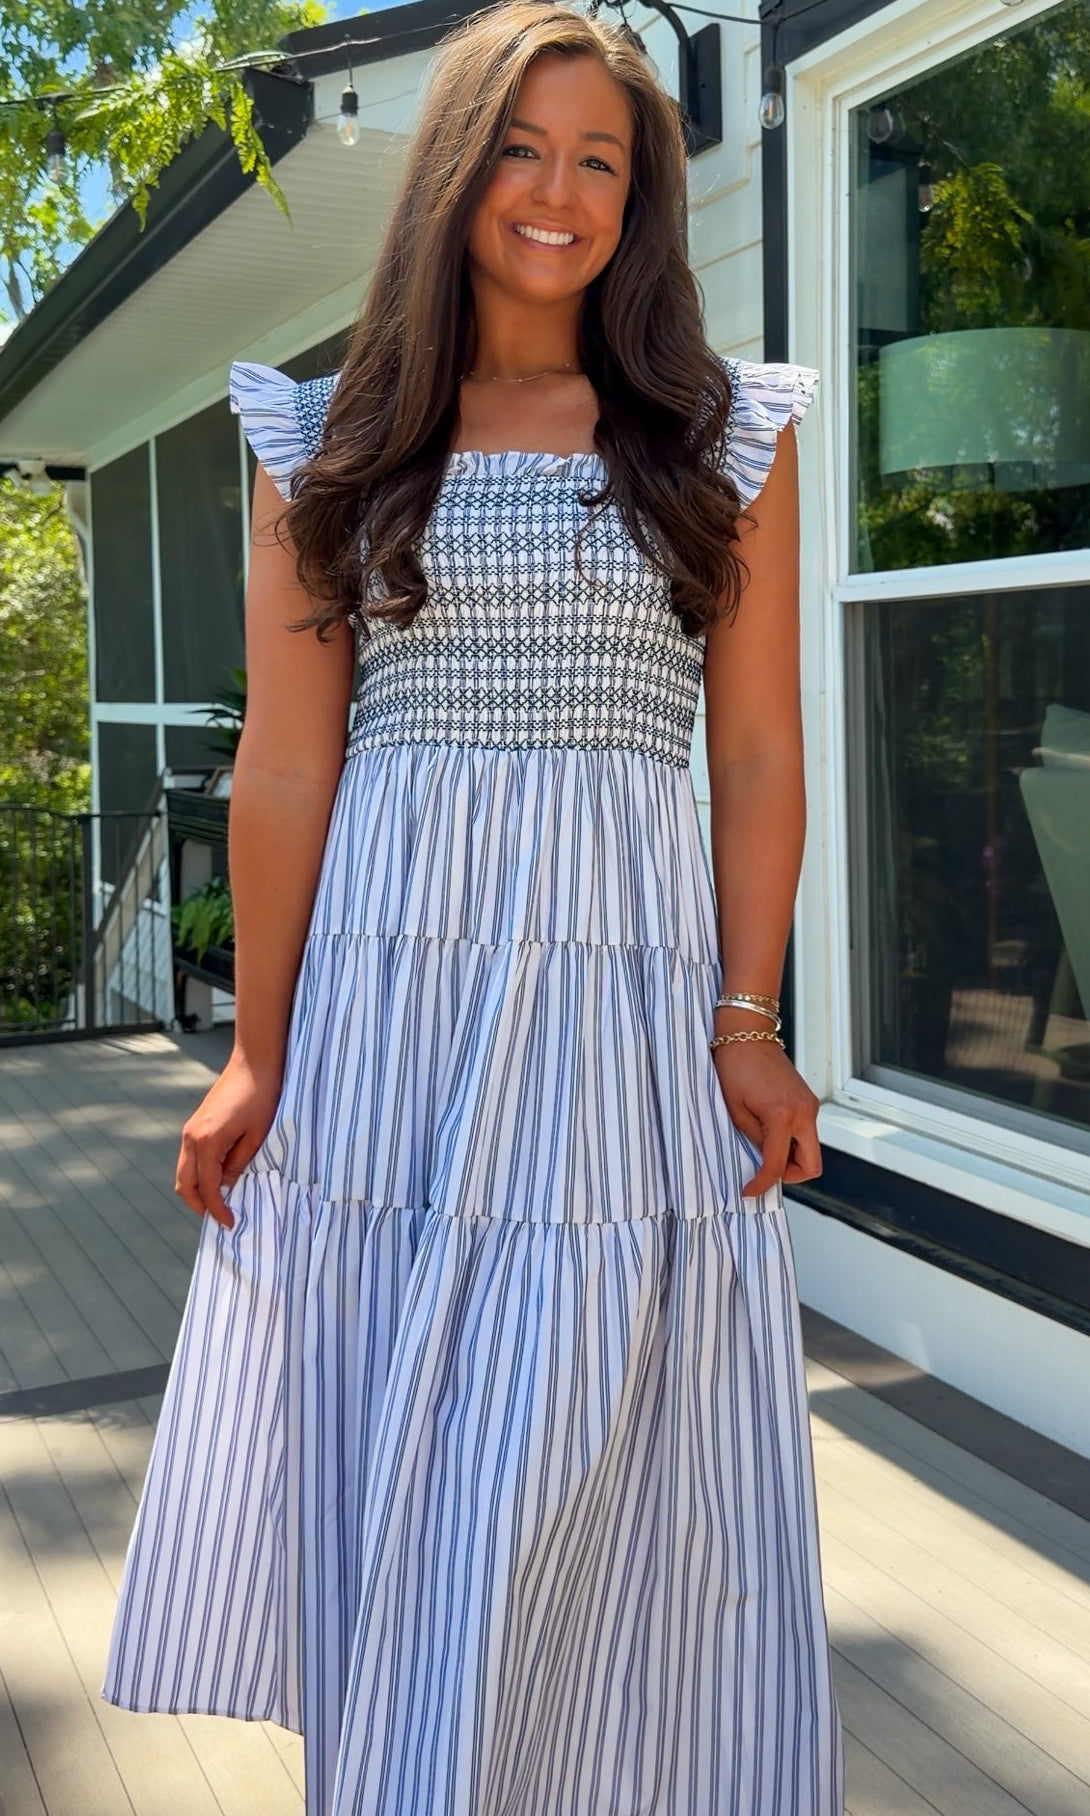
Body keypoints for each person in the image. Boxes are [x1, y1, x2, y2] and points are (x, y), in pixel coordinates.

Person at [101, 4, 843, 1813]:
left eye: (601, 160)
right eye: (521, 146)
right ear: (454, 168)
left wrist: (751, 1028)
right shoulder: (333, 433)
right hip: (390, 1013)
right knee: (402, 1454)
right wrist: (256, 1054)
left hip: (615, 1021)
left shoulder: (720, 431)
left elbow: (751, 757)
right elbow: (285, 771)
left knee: (577, 1452)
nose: (558, 192)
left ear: (642, 199)